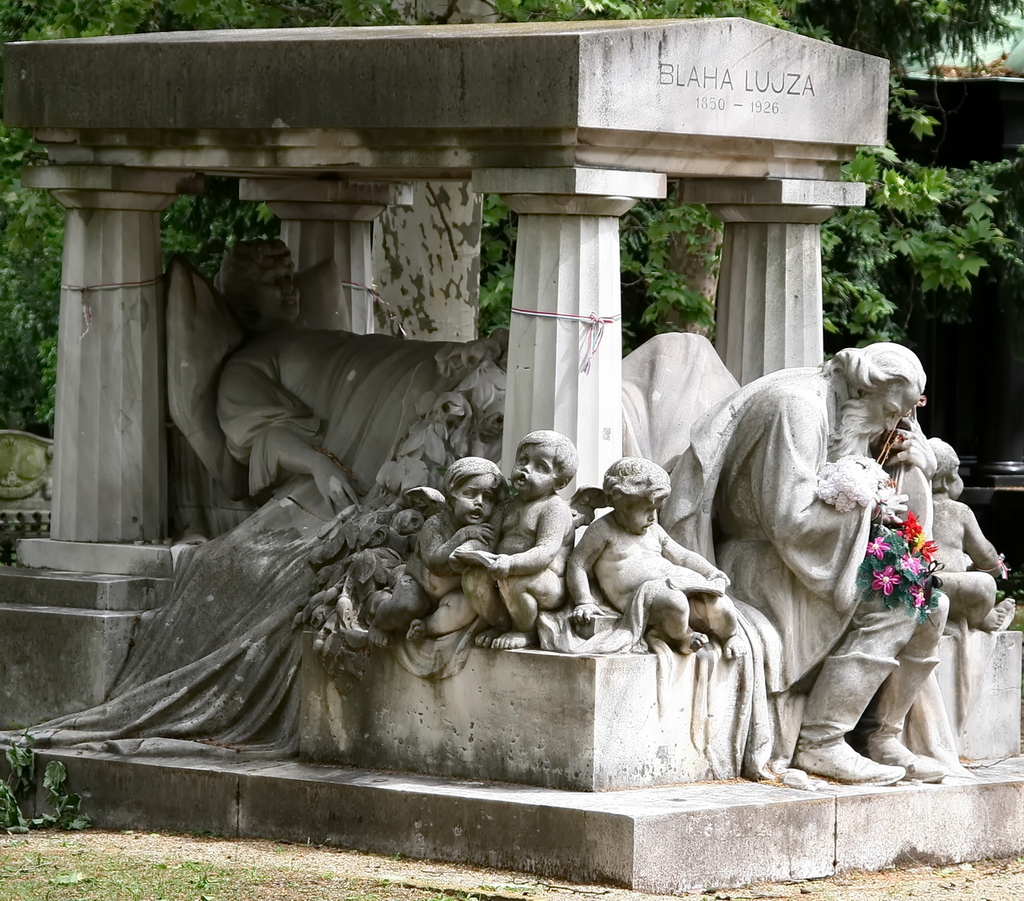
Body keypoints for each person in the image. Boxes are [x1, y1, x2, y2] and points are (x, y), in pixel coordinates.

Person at [661, 343, 952, 785]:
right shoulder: (796, 408)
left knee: (931, 605)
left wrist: (910, 476)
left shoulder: (835, 410)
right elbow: (789, 518)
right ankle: (822, 741)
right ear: (866, 386)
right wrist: (869, 506)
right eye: (891, 411)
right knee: (898, 604)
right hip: (767, 565)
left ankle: (881, 736)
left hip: (808, 559)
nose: (892, 425)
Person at [568, 457, 742, 657]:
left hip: (680, 581)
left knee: (719, 602)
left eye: (655, 510)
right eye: (647, 510)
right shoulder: (602, 531)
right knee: (675, 603)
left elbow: (683, 557)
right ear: (622, 503)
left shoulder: (654, 530)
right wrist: (584, 602)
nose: (652, 517)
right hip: (646, 597)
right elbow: (578, 564)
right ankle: (684, 638)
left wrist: (710, 572)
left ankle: (730, 636)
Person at [452, 431, 577, 650]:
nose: (526, 470)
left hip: (546, 580)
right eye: (523, 461)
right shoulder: (506, 506)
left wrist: (511, 564)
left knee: (518, 580)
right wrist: (466, 551)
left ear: (561, 481)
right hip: (503, 571)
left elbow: (545, 552)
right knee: (472, 578)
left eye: (540, 467)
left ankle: (525, 631)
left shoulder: (554, 508)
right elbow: (488, 539)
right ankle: (502, 624)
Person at [369, 457, 504, 647]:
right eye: (470, 494)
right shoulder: (435, 524)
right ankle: (378, 622)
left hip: (452, 592)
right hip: (419, 586)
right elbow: (435, 563)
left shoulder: (487, 528)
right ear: (449, 500)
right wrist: (462, 535)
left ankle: (426, 627)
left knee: (467, 608)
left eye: (488, 498)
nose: (479, 502)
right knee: (407, 606)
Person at [929, 438, 1014, 632]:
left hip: (922, 584)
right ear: (949, 477)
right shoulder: (958, 510)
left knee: (965, 560)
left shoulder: (909, 505)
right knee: (985, 584)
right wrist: (995, 564)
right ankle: (980, 618)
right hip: (941, 583)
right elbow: (986, 557)